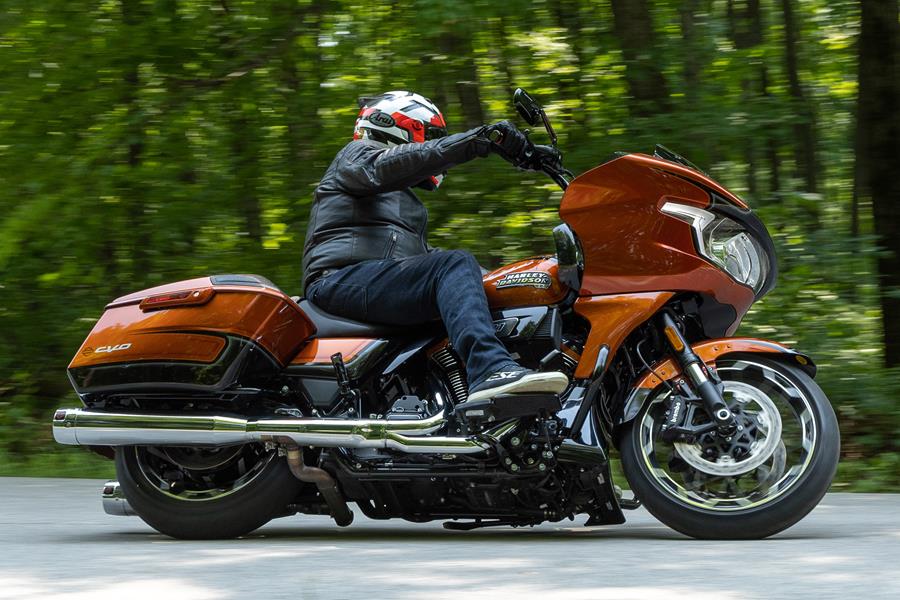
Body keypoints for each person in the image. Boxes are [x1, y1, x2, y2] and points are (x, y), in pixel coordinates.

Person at [302, 90, 568, 406]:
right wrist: (483, 139)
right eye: (430, 135)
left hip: (375, 280)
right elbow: (399, 164)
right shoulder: (356, 156)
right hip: (339, 279)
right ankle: (490, 369)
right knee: (454, 263)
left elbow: (436, 271)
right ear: (399, 126)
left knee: (493, 283)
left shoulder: (403, 207)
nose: (432, 143)